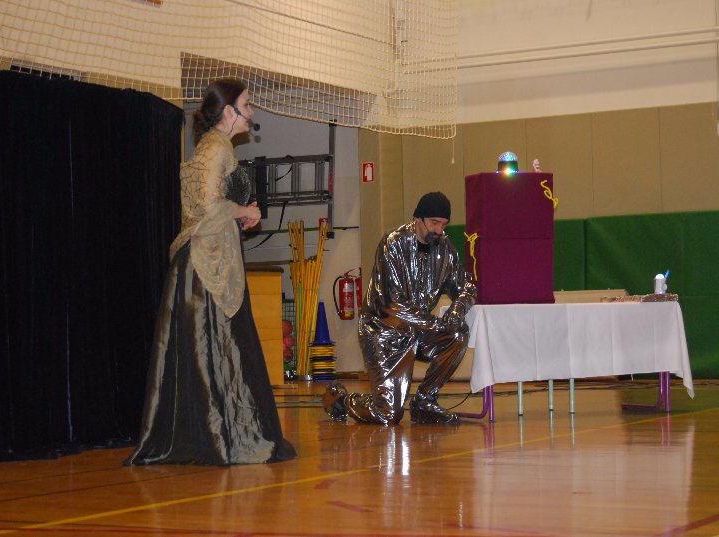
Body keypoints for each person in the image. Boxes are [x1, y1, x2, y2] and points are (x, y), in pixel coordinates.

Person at [125, 78, 296, 466]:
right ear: (229, 111)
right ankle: (224, 437)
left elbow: (211, 206)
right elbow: (207, 206)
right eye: (246, 105)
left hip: (214, 256)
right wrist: (244, 210)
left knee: (215, 350)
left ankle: (220, 433)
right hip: (207, 265)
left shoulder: (215, 147)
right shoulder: (215, 147)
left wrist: (240, 216)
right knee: (217, 347)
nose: (251, 112)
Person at [323, 192, 477, 425]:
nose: (439, 230)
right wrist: (436, 324)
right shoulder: (393, 243)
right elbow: (393, 303)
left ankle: (425, 402)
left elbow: (467, 286)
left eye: (443, 224)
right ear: (418, 219)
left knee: (457, 333)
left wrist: (457, 310)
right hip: (384, 332)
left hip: (419, 330)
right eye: (434, 223)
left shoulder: (444, 248)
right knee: (388, 415)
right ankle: (340, 400)